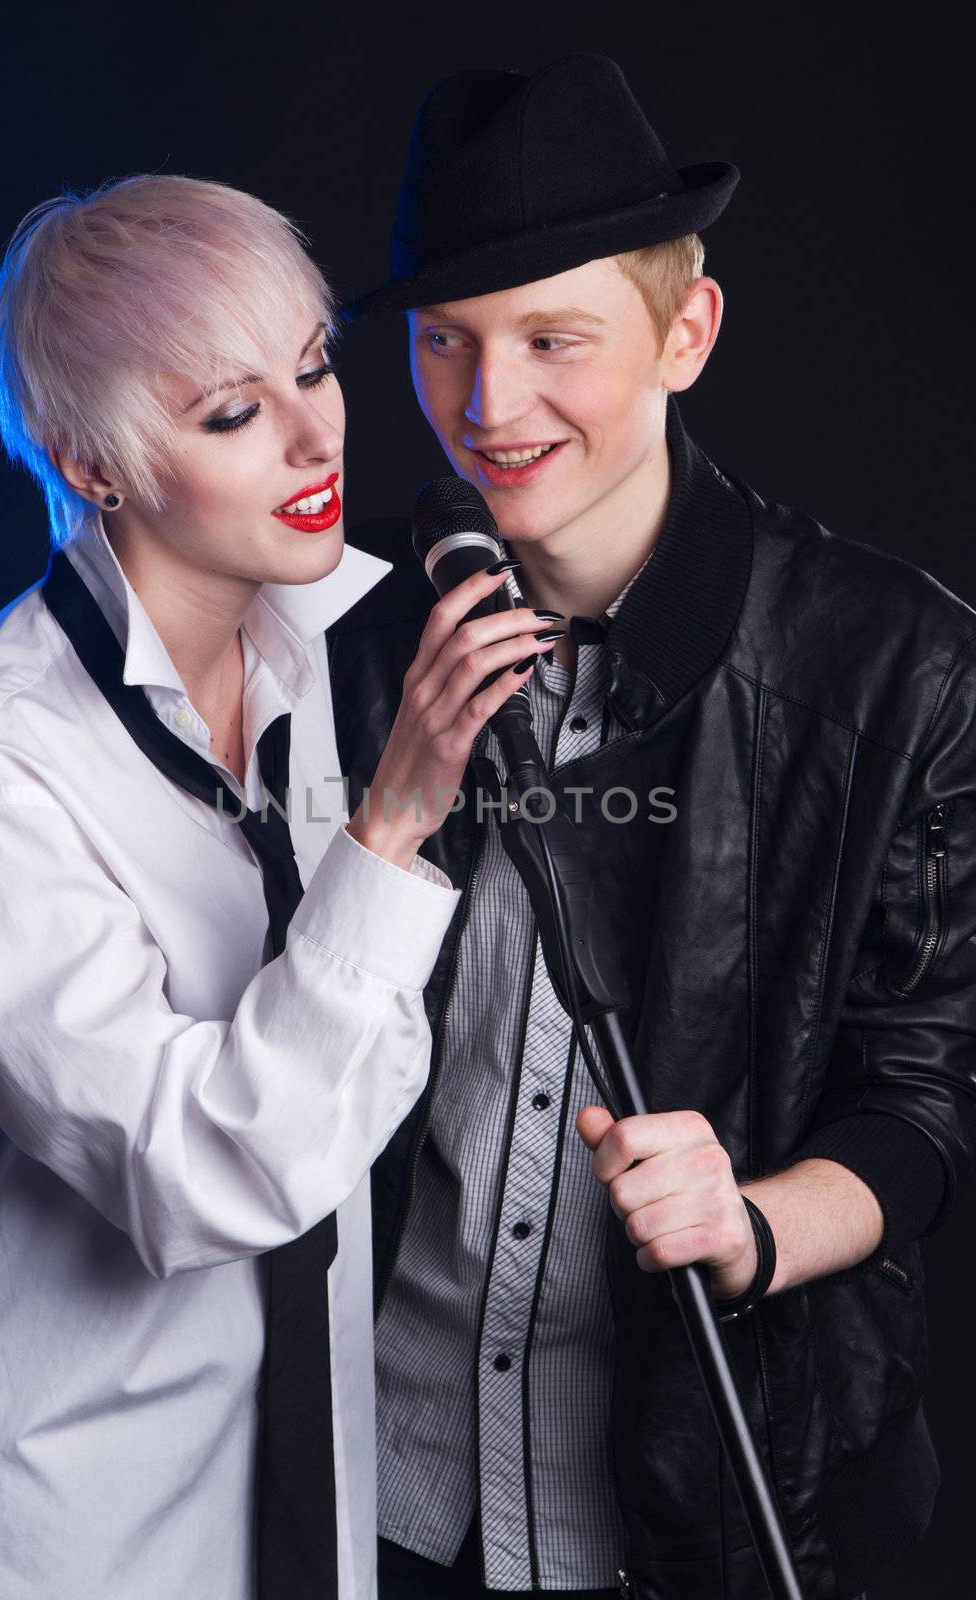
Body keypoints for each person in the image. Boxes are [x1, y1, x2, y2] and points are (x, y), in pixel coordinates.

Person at [328, 55, 976, 1600]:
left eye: (556, 339)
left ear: (686, 332)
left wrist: (750, 1223)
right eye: (445, 344)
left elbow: (930, 1097)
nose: (489, 408)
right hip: (380, 1498)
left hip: (711, 1520)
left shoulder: (903, 670)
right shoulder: (347, 640)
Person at [0, 173, 558, 1600]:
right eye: (231, 412)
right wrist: (390, 830)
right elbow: (192, 1173)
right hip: (73, 1495)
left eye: (316, 366)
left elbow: (366, 1064)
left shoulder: (326, 640)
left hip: (303, 1468)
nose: (318, 435)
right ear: (94, 462)